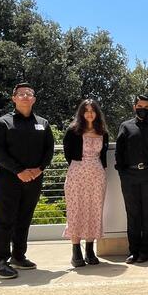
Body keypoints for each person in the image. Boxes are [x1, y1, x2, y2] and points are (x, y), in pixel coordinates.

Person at [0, 82, 54, 279]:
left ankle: (18, 256)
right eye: (21, 94)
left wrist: (39, 169)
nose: (25, 96)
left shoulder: (43, 123)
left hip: (34, 179)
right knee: (5, 220)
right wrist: (19, 171)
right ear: (14, 98)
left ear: (34, 99)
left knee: (24, 219)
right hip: (9, 179)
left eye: (29, 94)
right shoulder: (3, 123)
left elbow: (49, 150)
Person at [115, 94, 148, 264]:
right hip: (130, 176)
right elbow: (118, 151)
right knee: (133, 213)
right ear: (134, 107)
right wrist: (123, 172)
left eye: (146, 106)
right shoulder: (125, 126)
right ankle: (133, 251)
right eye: (140, 106)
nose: (143, 109)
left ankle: (145, 250)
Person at [63, 99, 109, 267]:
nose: (89, 113)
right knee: (76, 210)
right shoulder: (73, 131)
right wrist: (82, 167)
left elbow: (103, 155)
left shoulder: (102, 132)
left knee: (94, 211)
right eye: (86, 110)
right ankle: (76, 251)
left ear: (97, 113)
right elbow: (68, 154)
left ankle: (90, 250)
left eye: (92, 110)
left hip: (97, 175)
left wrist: (100, 170)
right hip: (77, 175)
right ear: (81, 113)